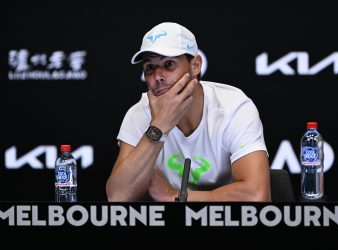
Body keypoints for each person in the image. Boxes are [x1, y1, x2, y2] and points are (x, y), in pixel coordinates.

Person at [106, 22, 271, 202]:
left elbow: (257, 195)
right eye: (150, 68)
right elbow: (118, 197)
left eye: (168, 64)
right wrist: (159, 127)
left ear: (195, 66)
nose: (158, 76)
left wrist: (173, 196)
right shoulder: (138, 114)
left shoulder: (233, 107)